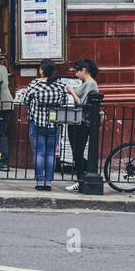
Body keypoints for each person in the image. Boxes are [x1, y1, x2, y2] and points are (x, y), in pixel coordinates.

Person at [23, 59, 70, 191]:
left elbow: (25, 100)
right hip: (53, 124)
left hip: (37, 122)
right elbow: (64, 101)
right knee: (50, 154)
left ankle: (39, 181)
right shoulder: (60, 85)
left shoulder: (35, 84)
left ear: (42, 70)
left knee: (39, 153)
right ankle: (48, 182)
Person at [64, 58, 100, 191]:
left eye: (77, 71)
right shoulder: (86, 83)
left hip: (83, 123)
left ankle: (82, 178)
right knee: (76, 153)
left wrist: (72, 91)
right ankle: (83, 177)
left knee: (77, 153)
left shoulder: (91, 84)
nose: (75, 74)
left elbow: (82, 103)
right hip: (77, 122)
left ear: (84, 70)